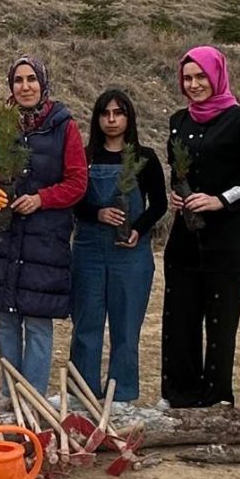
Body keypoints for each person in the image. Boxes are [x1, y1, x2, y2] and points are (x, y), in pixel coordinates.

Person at [161, 48, 240, 408]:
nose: (194, 85)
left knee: (220, 321)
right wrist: (178, 196)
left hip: (226, 239)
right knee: (180, 316)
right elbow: (179, 172)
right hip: (186, 238)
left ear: (217, 76)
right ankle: (180, 393)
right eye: (187, 78)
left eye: (201, 77)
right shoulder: (179, 120)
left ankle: (215, 397)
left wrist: (220, 199)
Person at [0, 55, 87, 399]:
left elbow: (77, 182)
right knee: (6, 318)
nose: (25, 86)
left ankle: (33, 396)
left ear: (43, 83)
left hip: (44, 239)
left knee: (37, 320)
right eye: (18, 80)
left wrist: (41, 199)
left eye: (31, 80)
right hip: (2, 235)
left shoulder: (64, 126)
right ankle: (9, 394)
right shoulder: (1, 125)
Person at [70, 88, 166, 405]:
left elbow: (159, 204)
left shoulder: (145, 157)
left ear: (129, 117)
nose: (112, 120)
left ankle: (121, 395)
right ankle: (82, 392)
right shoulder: (83, 157)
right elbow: (72, 200)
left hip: (130, 253)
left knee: (126, 326)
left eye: (118, 113)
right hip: (89, 250)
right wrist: (96, 212)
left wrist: (138, 229)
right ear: (97, 118)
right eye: (105, 113)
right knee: (87, 323)